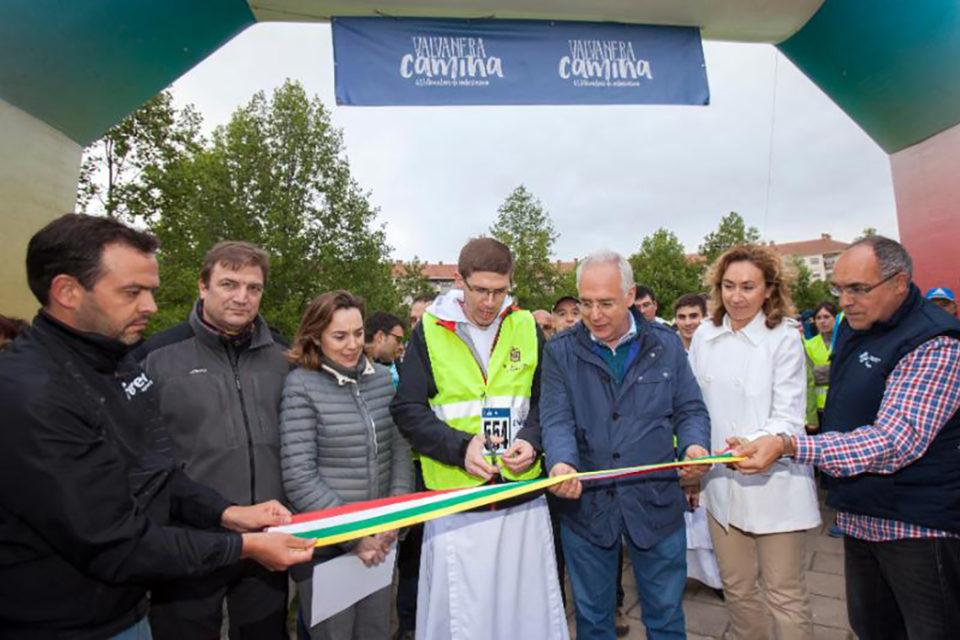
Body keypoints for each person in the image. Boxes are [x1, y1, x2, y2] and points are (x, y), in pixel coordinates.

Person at [0, 214, 314, 640]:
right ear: (67, 291)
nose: (150, 306)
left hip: (129, 607)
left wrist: (228, 513)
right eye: (132, 292)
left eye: (150, 291)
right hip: (62, 621)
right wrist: (245, 545)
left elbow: (158, 472)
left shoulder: (120, 365)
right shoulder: (32, 392)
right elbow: (112, 540)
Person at [732, 236, 960, 640]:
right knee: (871, 627)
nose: (845, 301)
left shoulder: (936, 342)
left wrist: (789, 444)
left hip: (918, 527)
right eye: (839, 289)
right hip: (860, 518)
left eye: (858, 288)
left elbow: (894, 440)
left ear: (899, 282)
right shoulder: (857, 327)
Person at [391, 237, 567, 640]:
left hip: (520, 497)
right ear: (459, 281)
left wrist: (533, 439)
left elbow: (547, 400)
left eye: (500, 291)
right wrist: (460, 447)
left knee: (525, 615)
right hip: (458, 505)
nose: (490, 302)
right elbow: (408, 409)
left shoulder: (524, 325)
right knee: (464, 620)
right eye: (480, 290)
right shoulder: (430, 330)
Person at [542, 250, 711, 640]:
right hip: (587, 507)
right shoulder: (560, 352)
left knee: (666, 618)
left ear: (630, 295)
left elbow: (689, 409)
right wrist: (562, 463)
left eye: (606, 303)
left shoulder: (665, 345)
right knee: (593, 620)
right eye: (586, 303)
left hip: (655, 505)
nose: (594, 314)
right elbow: (556, 418)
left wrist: (694, 447)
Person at [137, 241, 293, 640]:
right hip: (189, 540)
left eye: (253, 287)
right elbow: (141, 459)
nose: (242, 297)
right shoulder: (155, 356)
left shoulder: (283, 357)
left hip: (266, 539)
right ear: (202, 286)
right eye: (229, 283)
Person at [688, 244, 820, 640]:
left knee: (784, 595)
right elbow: (692, 405)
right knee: (738, 590)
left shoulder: (784, 336)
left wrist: (756, 442)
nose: (736, 296)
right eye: (728, 286)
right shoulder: (705, 335)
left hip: (776, 483)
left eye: (748, 286)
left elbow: (790, 414)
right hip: (721, 485)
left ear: (769, 290)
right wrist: (694, 466)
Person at [280, 290, 412, 640]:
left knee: (375, 633)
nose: (352, 345)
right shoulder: (300, 385)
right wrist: (354, 537)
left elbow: (399, 452)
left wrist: (392, 523)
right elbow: (299, 476)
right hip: (328, 549)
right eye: (339, 336)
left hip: (381, 543)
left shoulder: (382, 379)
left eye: (357, 333)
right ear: (316, 336)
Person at [804, 301, 838, 429]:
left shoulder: (844, 341)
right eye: (818, 318)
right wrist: (835, 370)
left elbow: (850, 372)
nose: (822, 321)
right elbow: (808, 377)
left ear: (835, 318)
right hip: (818, 408)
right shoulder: (808, 344)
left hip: (841, 404)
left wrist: (818, 371)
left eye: (826, 317)